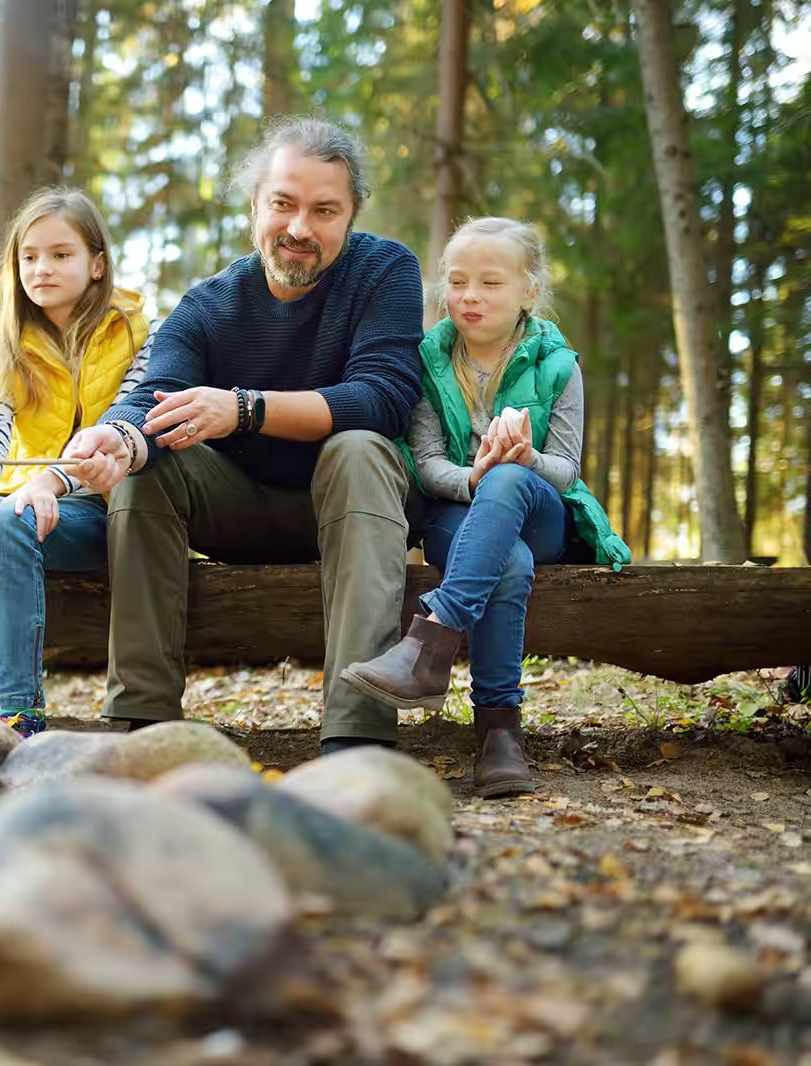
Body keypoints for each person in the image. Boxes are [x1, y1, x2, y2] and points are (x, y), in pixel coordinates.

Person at [62, 116, 424, 754]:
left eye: (324, 210)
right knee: (146, 464)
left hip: (354, 506)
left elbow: (385, 397)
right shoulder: (210, 303)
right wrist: (118, 440)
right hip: (237, 507)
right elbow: (152, 394)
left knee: (361, 445)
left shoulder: (385, 270)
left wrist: (246, 408)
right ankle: (141, 725)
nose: (299, 229)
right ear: (255, 204)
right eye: (282, 204)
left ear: (352, 214)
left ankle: (356, 738)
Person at [340, 216, 630, 796]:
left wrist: (519, 460)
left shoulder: (558, 364)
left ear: (528, 290)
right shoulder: (426, 361)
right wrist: (475, 477)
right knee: (510, 563)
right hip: (458, 513)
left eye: (490, 283)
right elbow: (425, 462)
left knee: (509, 482)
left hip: (541, 511)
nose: (470, 296)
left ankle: (431, 639)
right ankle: (500, 737)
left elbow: (566, 467)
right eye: (457, 281)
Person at [0, 187, 150, 738]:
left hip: (109, 508)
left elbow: (113, 435)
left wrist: (49, 481)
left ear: (97, 263)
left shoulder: (137, 334)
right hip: (28, 500)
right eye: (29, 256)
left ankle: (21, 714)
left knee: (9, 518)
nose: (42, 268)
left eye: (61, 255)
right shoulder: (13, 341)